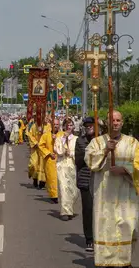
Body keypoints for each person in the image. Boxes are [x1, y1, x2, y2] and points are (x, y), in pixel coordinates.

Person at [85, 111, 139, 268]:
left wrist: (124, 169)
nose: (115, 123)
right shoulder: (97, 142)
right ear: (107, 123)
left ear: (122, 123)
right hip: (104, 192)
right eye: (112, 120)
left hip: (126, 193)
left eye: (118, 120)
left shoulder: (133, 143)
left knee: (128, 225)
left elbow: (137, 163)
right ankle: (106, 261)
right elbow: (89, 160)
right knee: (106, 227)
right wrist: (105, 151)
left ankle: (123, 260)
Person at [74, 116, 96, 252]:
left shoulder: (101, 139)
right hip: (85, 178)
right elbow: (78, 161)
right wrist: (89, 151)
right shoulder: (80, 141)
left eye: (91, 125)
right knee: (88, 210)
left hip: (100, 179)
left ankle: (100, 237)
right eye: (87, 126)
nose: (89, 128)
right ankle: (89, 238)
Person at [54, 118, 79, 221]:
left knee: (74, 190)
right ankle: (65, 211)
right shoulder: (59, 138)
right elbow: (57, 150)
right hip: (62, 166)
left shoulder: (76, 139)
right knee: (64, 189)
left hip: (72, 166)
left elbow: (79, 152)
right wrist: (64, 147)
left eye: (71, 125)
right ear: (64, 127)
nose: (69, 127)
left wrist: (72, 153)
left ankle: (70, 208)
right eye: (67, 125)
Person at [38, 118, 60, 204]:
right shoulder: (46, 135)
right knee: (52, 178)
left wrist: (57, 138)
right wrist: (49, 153)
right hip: (50, 160)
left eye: (57, 124)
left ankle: (60, 194)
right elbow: (41, 146)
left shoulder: (62, 134)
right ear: (51, 125)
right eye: (54, 124)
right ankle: (54, 195)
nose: (56, 126)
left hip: (61, 160)